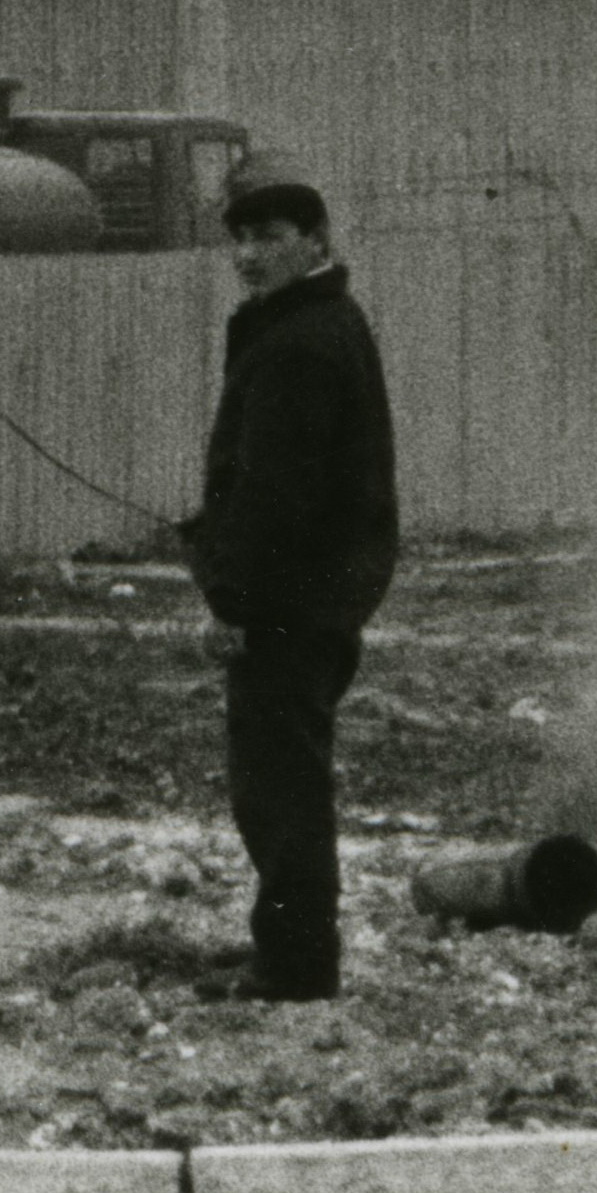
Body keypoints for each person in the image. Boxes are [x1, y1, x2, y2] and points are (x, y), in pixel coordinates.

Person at [182, 175, 399, 1005]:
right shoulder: (316, 323)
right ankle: (289, 953)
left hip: (290, 602)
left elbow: (276, 491)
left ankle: (297, 965)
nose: (246, 256)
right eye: (237, 239)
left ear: (316, 238)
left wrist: (234, 603)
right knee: (282, 782)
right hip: (314, 595)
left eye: (268, 236)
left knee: (279, 789)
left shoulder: (301, 340)